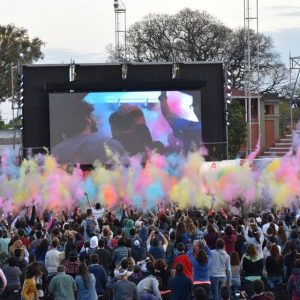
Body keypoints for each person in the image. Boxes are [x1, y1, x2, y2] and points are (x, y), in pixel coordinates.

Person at [52, 94, 125, 165]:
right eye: (92, 115)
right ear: (87, 119)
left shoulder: (55, 153)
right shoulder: (110, 145)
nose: (95, 119)